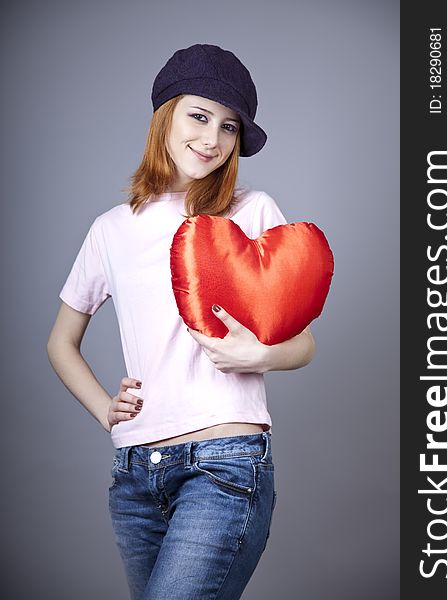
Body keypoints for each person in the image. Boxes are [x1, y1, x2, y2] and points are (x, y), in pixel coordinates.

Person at [47, 43, 315, 600]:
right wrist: (105, 409)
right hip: (134, 472)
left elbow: (303, 343)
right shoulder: (110, 230)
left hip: (224, 463)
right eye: (199, 116)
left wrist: (257, 356)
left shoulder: (252, 211)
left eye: (229, 127)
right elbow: (61, 342)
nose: (212, 139)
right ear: (164, 116)